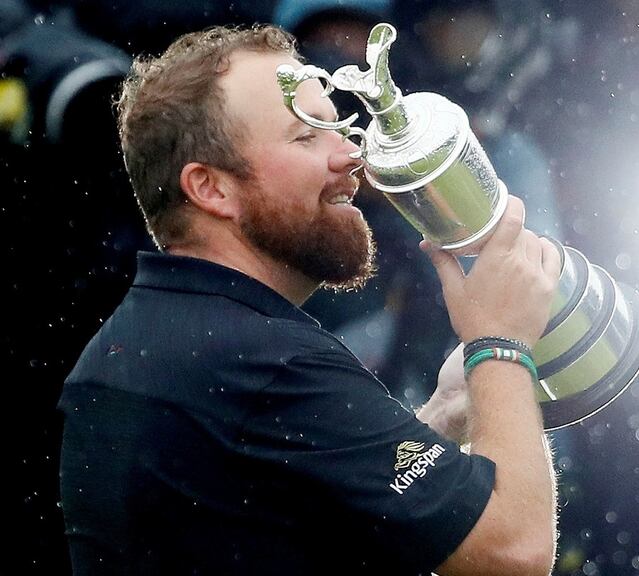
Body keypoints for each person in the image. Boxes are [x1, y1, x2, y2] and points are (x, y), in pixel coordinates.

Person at [58, 24, 560, 576]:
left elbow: (295, 526)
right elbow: (513, 553)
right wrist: (501, 344)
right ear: (210, 188)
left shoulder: (136, 345)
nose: (350, 155)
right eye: (306, 136)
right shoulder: (263, 361)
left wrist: (441, 417)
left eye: (340, 126)